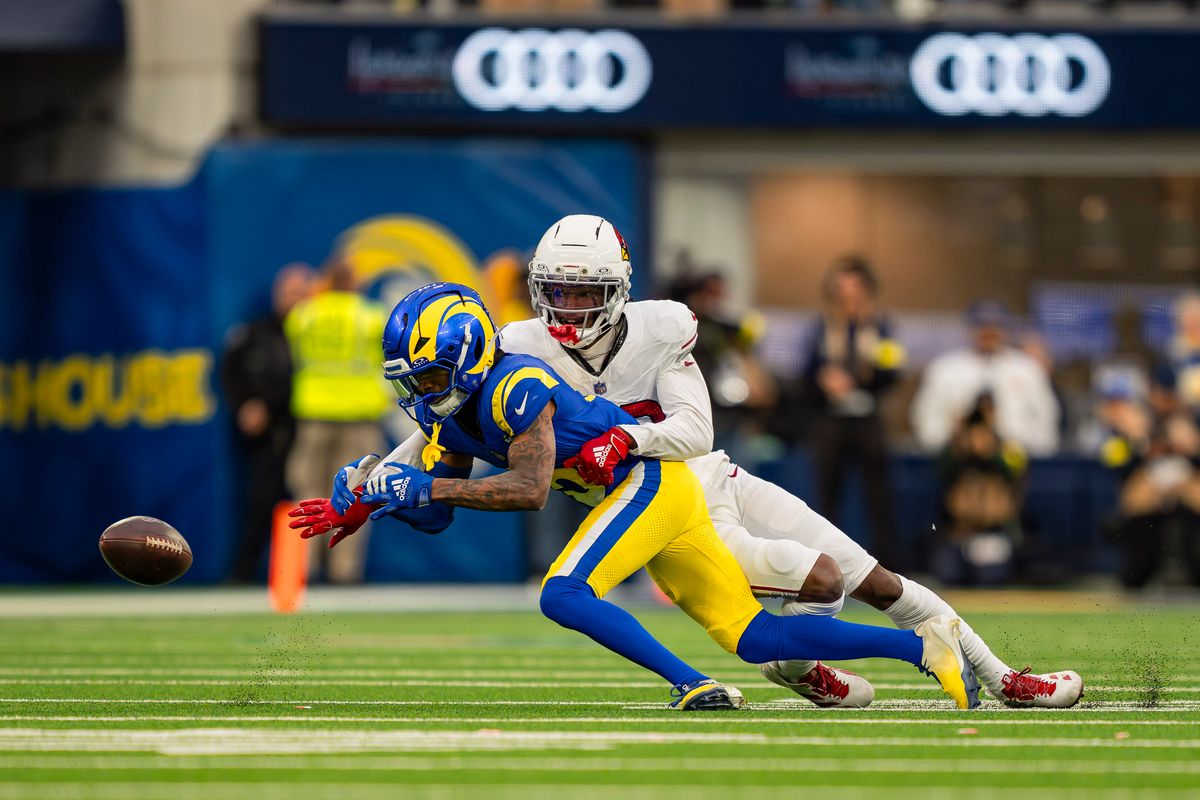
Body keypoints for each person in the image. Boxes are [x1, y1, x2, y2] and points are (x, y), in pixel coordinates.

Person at [288, 282, 981, 711]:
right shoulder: (452, 408)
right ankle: (925, 650)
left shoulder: (513, 386)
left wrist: (418, 481)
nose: (419, 390)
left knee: (562, 592)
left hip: (649, 481)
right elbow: (438, 515)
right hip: (648, 498)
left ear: (467, 358)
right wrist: (375, 499)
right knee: (754, 637)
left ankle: (690, 683)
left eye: (430, 374)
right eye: (411, 377)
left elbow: (530, 491)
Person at [497, 215, 1081, 709]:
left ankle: (1003, 678)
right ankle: (802, 666)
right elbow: (452, 418)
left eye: (584, 292)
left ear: (619, 288)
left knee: (875, 580)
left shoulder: (662, 326)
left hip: (718, 475)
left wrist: (627, 439)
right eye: (558, 289)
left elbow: (697, 431)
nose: (569, 307)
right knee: (821, 579)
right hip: (667, 513)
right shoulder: (520, 346)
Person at [284, 258, 390, 584]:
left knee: (306, 490)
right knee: (357, 494)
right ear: (355, 283)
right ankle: (345, 572)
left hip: (314, 412)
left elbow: (296, 355)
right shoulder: (371, 317)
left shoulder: (304, 316)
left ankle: (302, 567)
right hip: (359, 414)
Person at [800, 256, 902, 566]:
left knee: (878, 495)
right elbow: (805, 373)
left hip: (867, 418)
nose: (848, 293)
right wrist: (823, 381)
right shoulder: (822, 327)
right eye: (842, 285)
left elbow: (892, 371)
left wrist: (856, 381)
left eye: (854, 285)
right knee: (828, 494)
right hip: (831, 420)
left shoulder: (880, 327)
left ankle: (885, 564)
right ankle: (827, 563)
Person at [220, 262, 314, 583]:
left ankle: (301, 578)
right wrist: (245, 405)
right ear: (277, 295)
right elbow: (231, 372)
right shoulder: (255, 333)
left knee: (311, 504)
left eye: (302, 293)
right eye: (290, 292)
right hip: (271, 433)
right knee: (262, 503)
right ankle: (242, 574)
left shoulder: (319, 335)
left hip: (312, 429)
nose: (295, 299)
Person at [911, 299, 1060, 457]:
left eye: (996, 325)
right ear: (970, 328)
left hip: (1017, 461)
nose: (989, 332)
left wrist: (1011, 437)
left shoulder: (1028, 369)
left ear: (1006, 329)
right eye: (982, 325)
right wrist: (955, 435)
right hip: (959, 461)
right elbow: (924, 419)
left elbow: (1047, 422)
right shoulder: (944, 369)